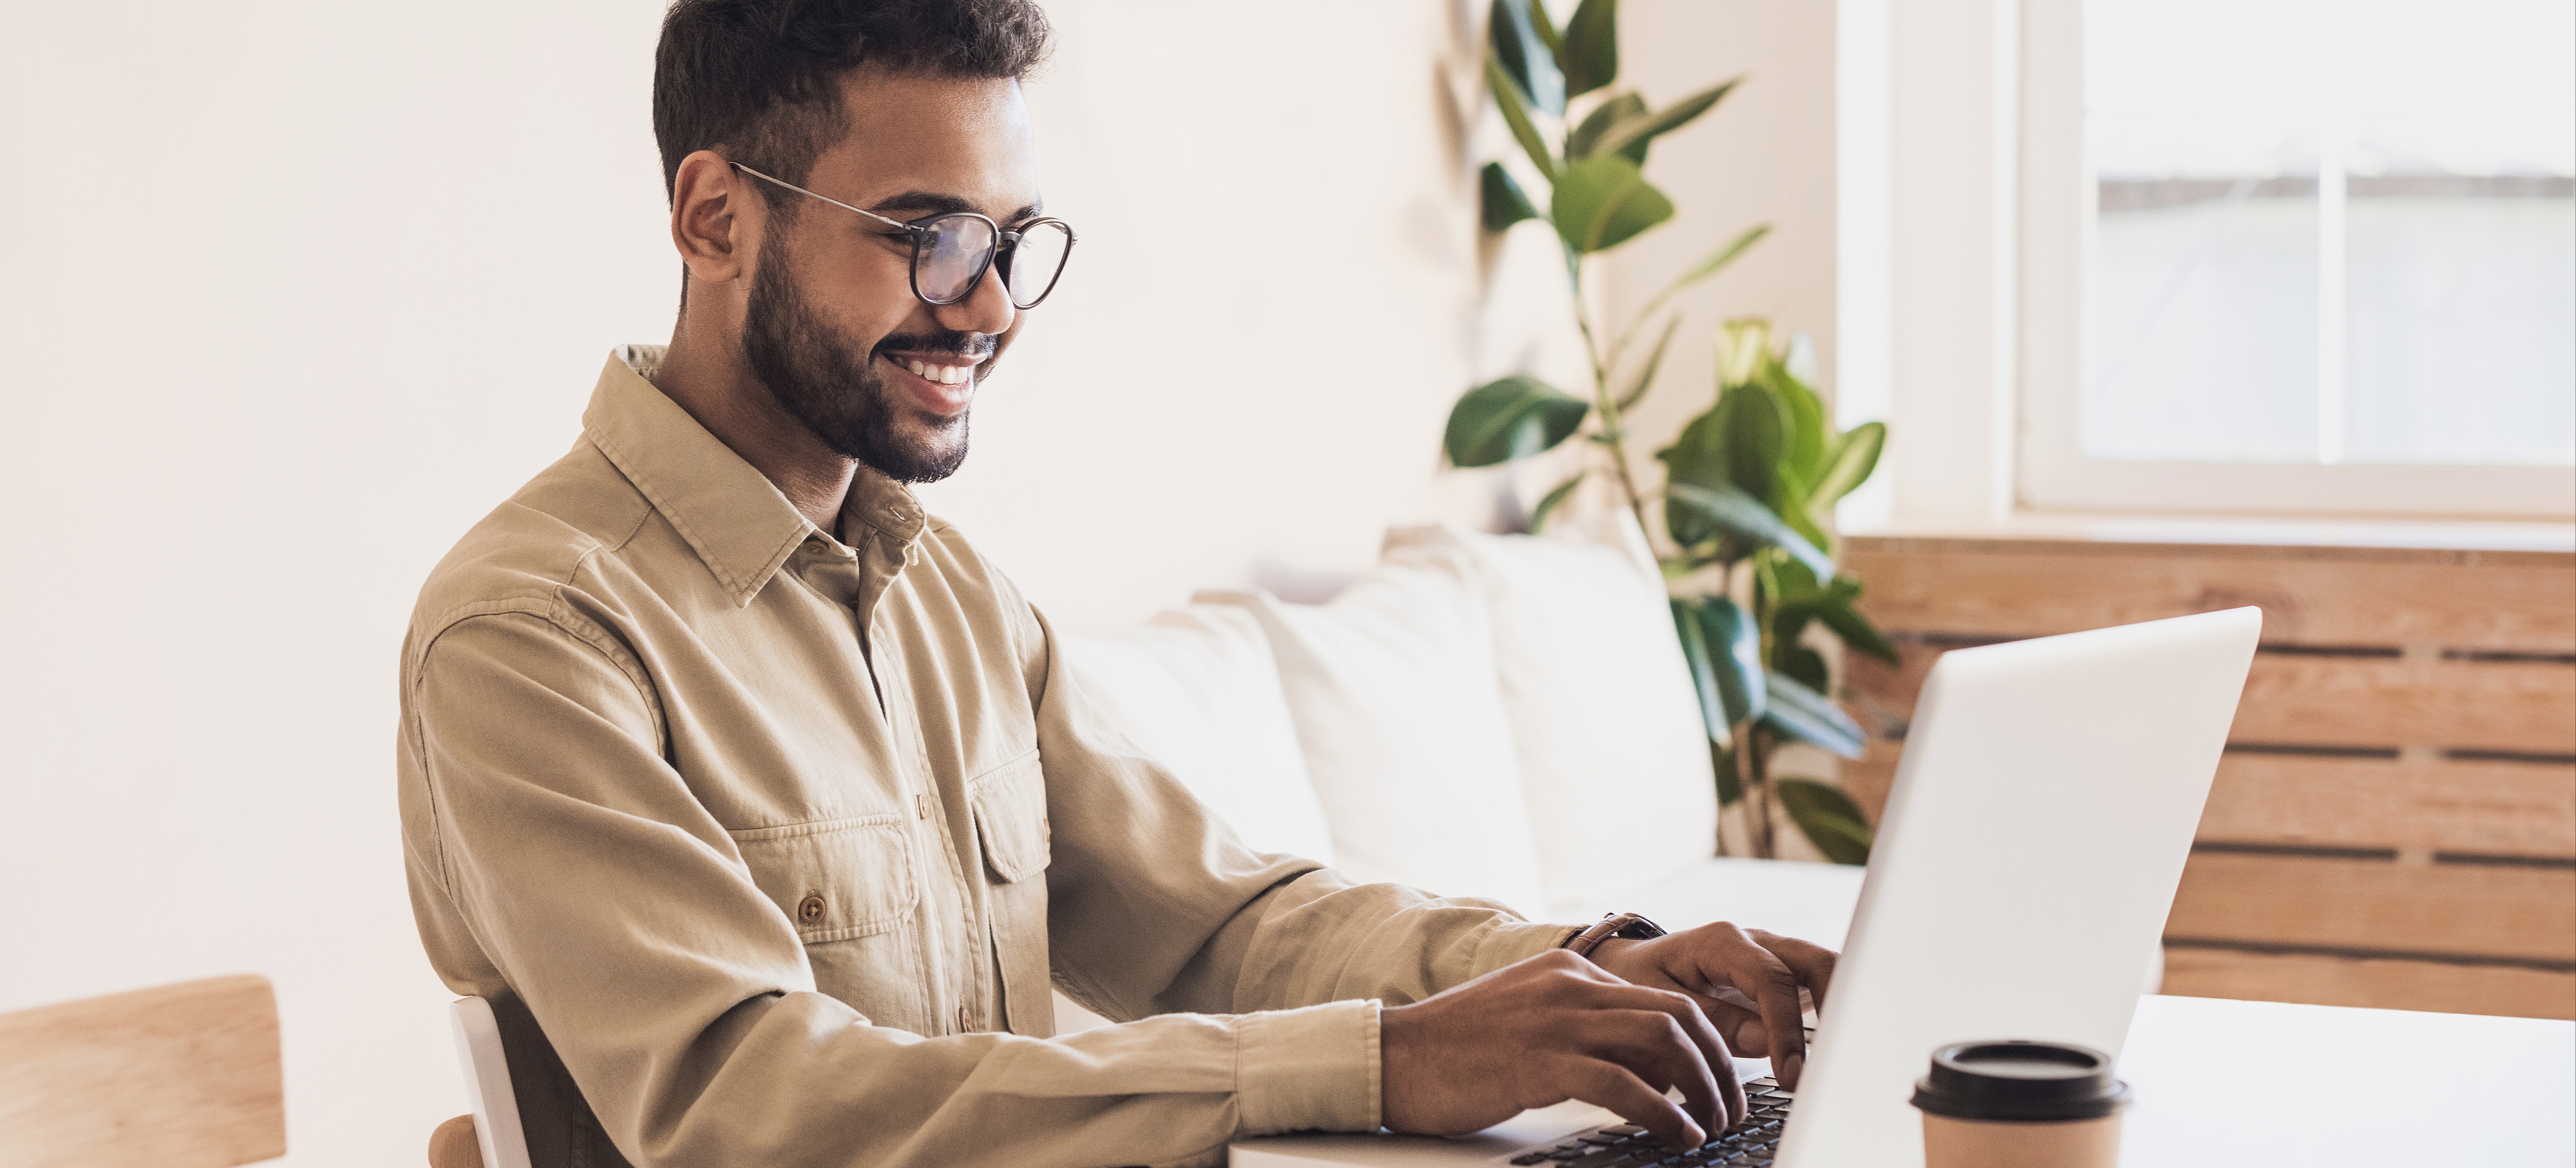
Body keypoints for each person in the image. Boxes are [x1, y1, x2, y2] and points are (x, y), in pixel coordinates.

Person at [396, 1, 1838, 1165]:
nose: (992, 306)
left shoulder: (949, 594)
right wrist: (1389, 1063)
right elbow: (759, 1105)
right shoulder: (533, 635)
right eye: (931, 237)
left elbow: (1220, 919)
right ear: (714, 218)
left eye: (1011, 241)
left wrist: (1579, 974)